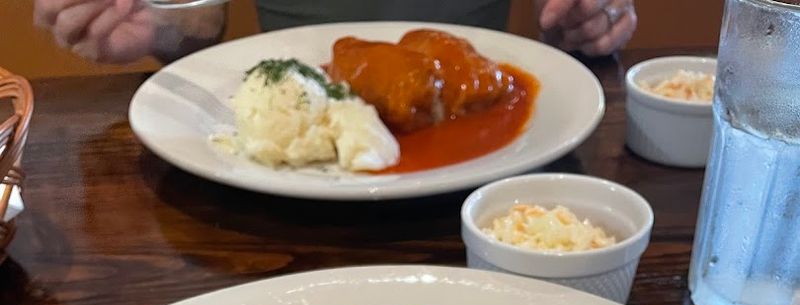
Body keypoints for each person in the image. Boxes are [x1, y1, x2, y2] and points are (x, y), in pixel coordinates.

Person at [34, 0, 637, 66]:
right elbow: (198, 24)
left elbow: (567, 23)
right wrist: (154, 27)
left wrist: (589, 18)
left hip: (498, 190)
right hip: (265, 214)